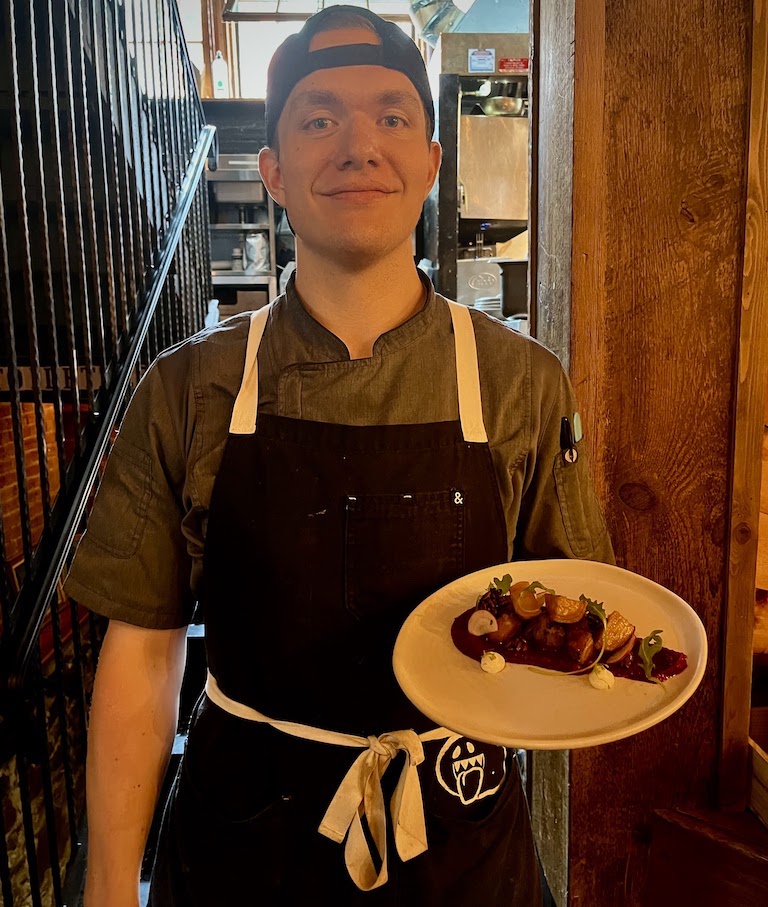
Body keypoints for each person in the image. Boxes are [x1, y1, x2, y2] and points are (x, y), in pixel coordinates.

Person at [64, 7, 614, 906]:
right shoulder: (187, 387)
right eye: (319, 118)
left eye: (393, 116)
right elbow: (143, 650)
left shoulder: (522, 382)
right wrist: (110, 887)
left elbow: (574, 613)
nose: (359, 145)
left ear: (432, 163)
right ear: (272, 171)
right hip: (242, 842)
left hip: (462, 839)